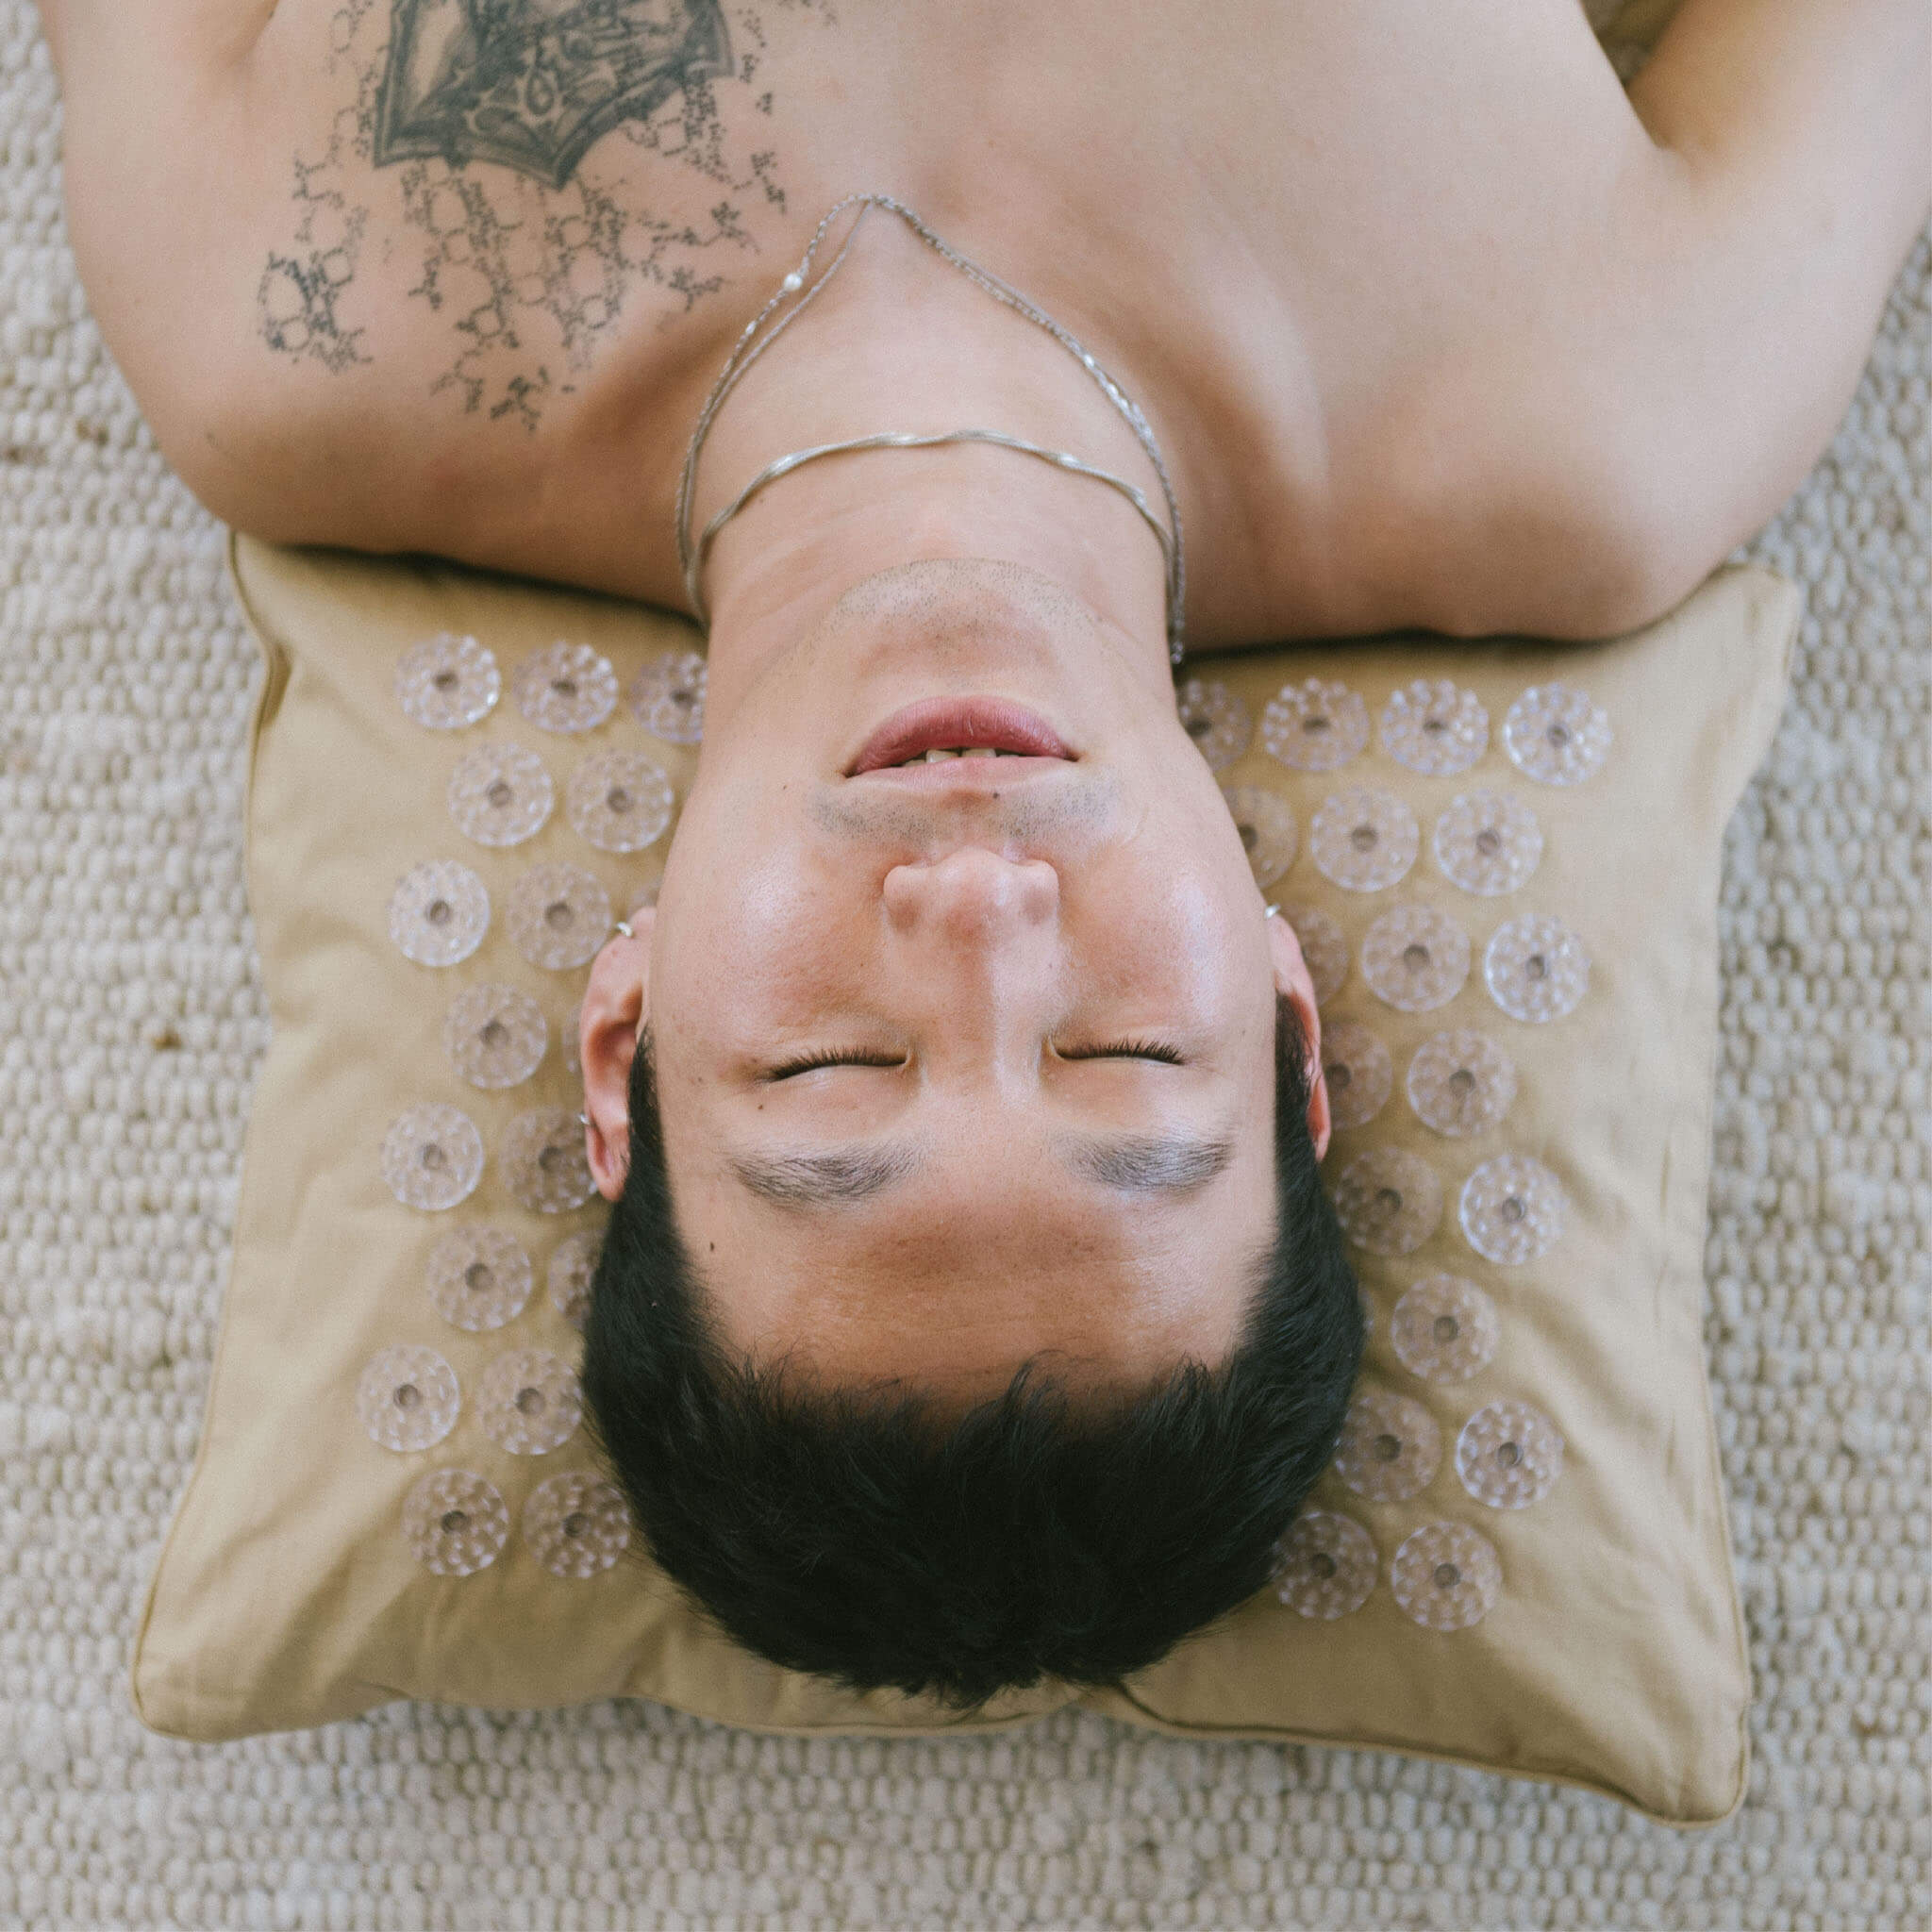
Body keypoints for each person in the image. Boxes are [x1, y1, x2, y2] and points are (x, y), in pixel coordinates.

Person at [37, 0, 1931, 1703]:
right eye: (1126, 1053)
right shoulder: (1608, 400)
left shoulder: (273, 311)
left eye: (829, 1069)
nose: (980, 906)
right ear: (1289, 1019)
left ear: (622, 1038)